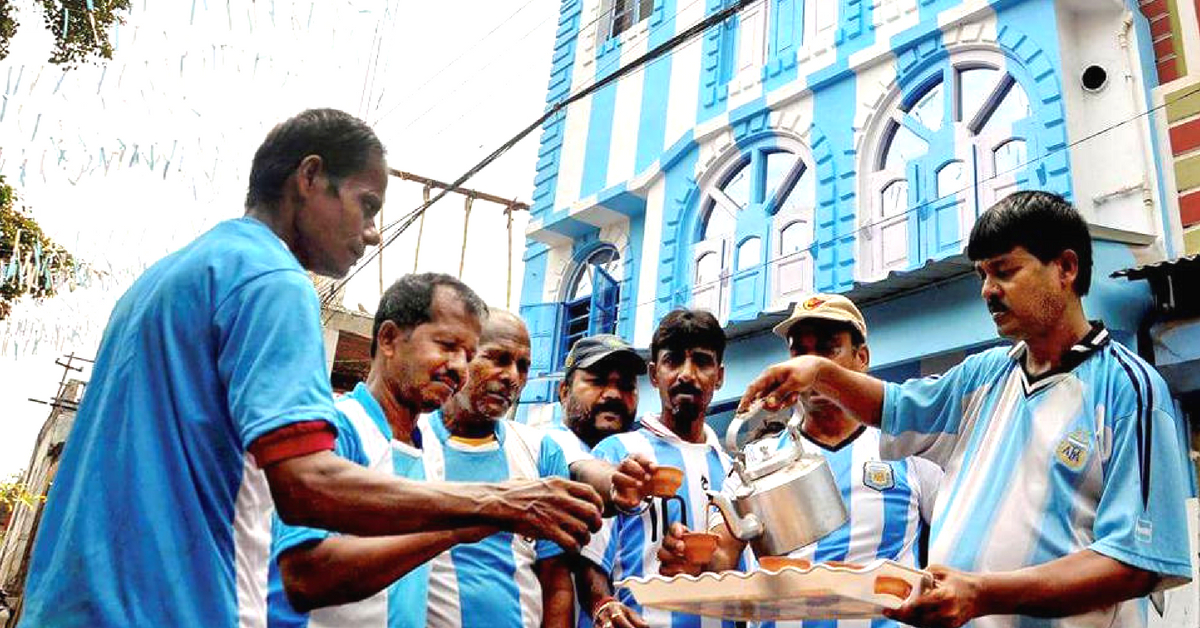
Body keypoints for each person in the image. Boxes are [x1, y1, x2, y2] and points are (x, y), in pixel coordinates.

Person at [16, 109, 603, 628]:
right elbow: (305, 488)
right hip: (177, 609)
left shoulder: (167, 279)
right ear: (310, 177)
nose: (372, 233)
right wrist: (495, 503)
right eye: (367, 205)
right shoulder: (274, 281)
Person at [738, 191, 1195, 628]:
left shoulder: (1128, 389)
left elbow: (1135, 563)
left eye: (1004, 271)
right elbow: (892, 407)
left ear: (1066, 268)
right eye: (982, 275)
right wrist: (819, 372)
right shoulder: (983, 375)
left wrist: (983, 593)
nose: (987, 291)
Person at [658, 295, 942, 628]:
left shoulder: (907, 449)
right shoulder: (755, 461)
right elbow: (723, 554)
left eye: (828, 349)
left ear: (861, 357)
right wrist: (690, 557)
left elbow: (950, 547)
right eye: (800, 352)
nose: (810, 365)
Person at [264, 273, 504, 628]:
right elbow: (304, 578)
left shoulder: (431, 448)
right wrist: (460, 526)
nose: (459, 368)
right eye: (447, 346)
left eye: (468, 355)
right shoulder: (334, 430)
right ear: (389, 339)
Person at [415, 310, 584, 628]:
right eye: (497, 359)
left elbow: (557, 580)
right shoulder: (411, 441)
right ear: (460, 357)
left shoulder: (541, 452)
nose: (512, 377)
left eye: (523, 366)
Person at [591, 310, 752, 628]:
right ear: (654, 374)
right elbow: (590, 559)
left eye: (702, 362)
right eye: (673, 360)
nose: (687, 374)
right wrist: (603, 605)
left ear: (719, 376)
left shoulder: (734, 471)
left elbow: (735, 569)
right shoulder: (616, 454)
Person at [552, 335, 653, 628]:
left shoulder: (633, 454)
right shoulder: (550, 445)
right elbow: (583, 472)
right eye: (597, 381)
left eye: (626, 386)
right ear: (563, 391)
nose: (613, 395)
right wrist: (616, 483)